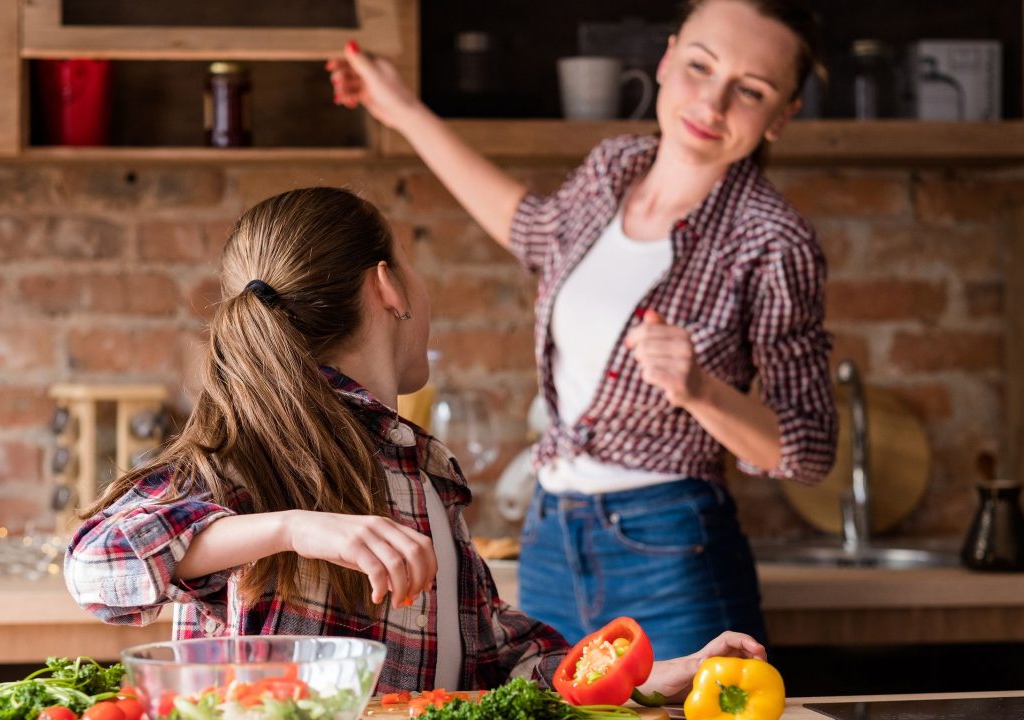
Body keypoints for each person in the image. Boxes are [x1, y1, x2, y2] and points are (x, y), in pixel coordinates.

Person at [64, 186, 767, 696]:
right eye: (412, 264)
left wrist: (639, 679)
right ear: (389, 288)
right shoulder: (250, 454)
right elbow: (97, 567)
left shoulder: (418, 471)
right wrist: (294, 528)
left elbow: (491, 661)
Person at [327, 0, 838, 658]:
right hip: (551, 538)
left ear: (783, 115)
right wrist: (400, 109)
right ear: (667, 59)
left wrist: (702, 391)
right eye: (700, 66)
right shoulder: (614, 167)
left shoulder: (774, 241)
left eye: (751, 90)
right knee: (549, 702)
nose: (712, 103)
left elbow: (807, 450)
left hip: (671, 548)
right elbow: (530, 229)